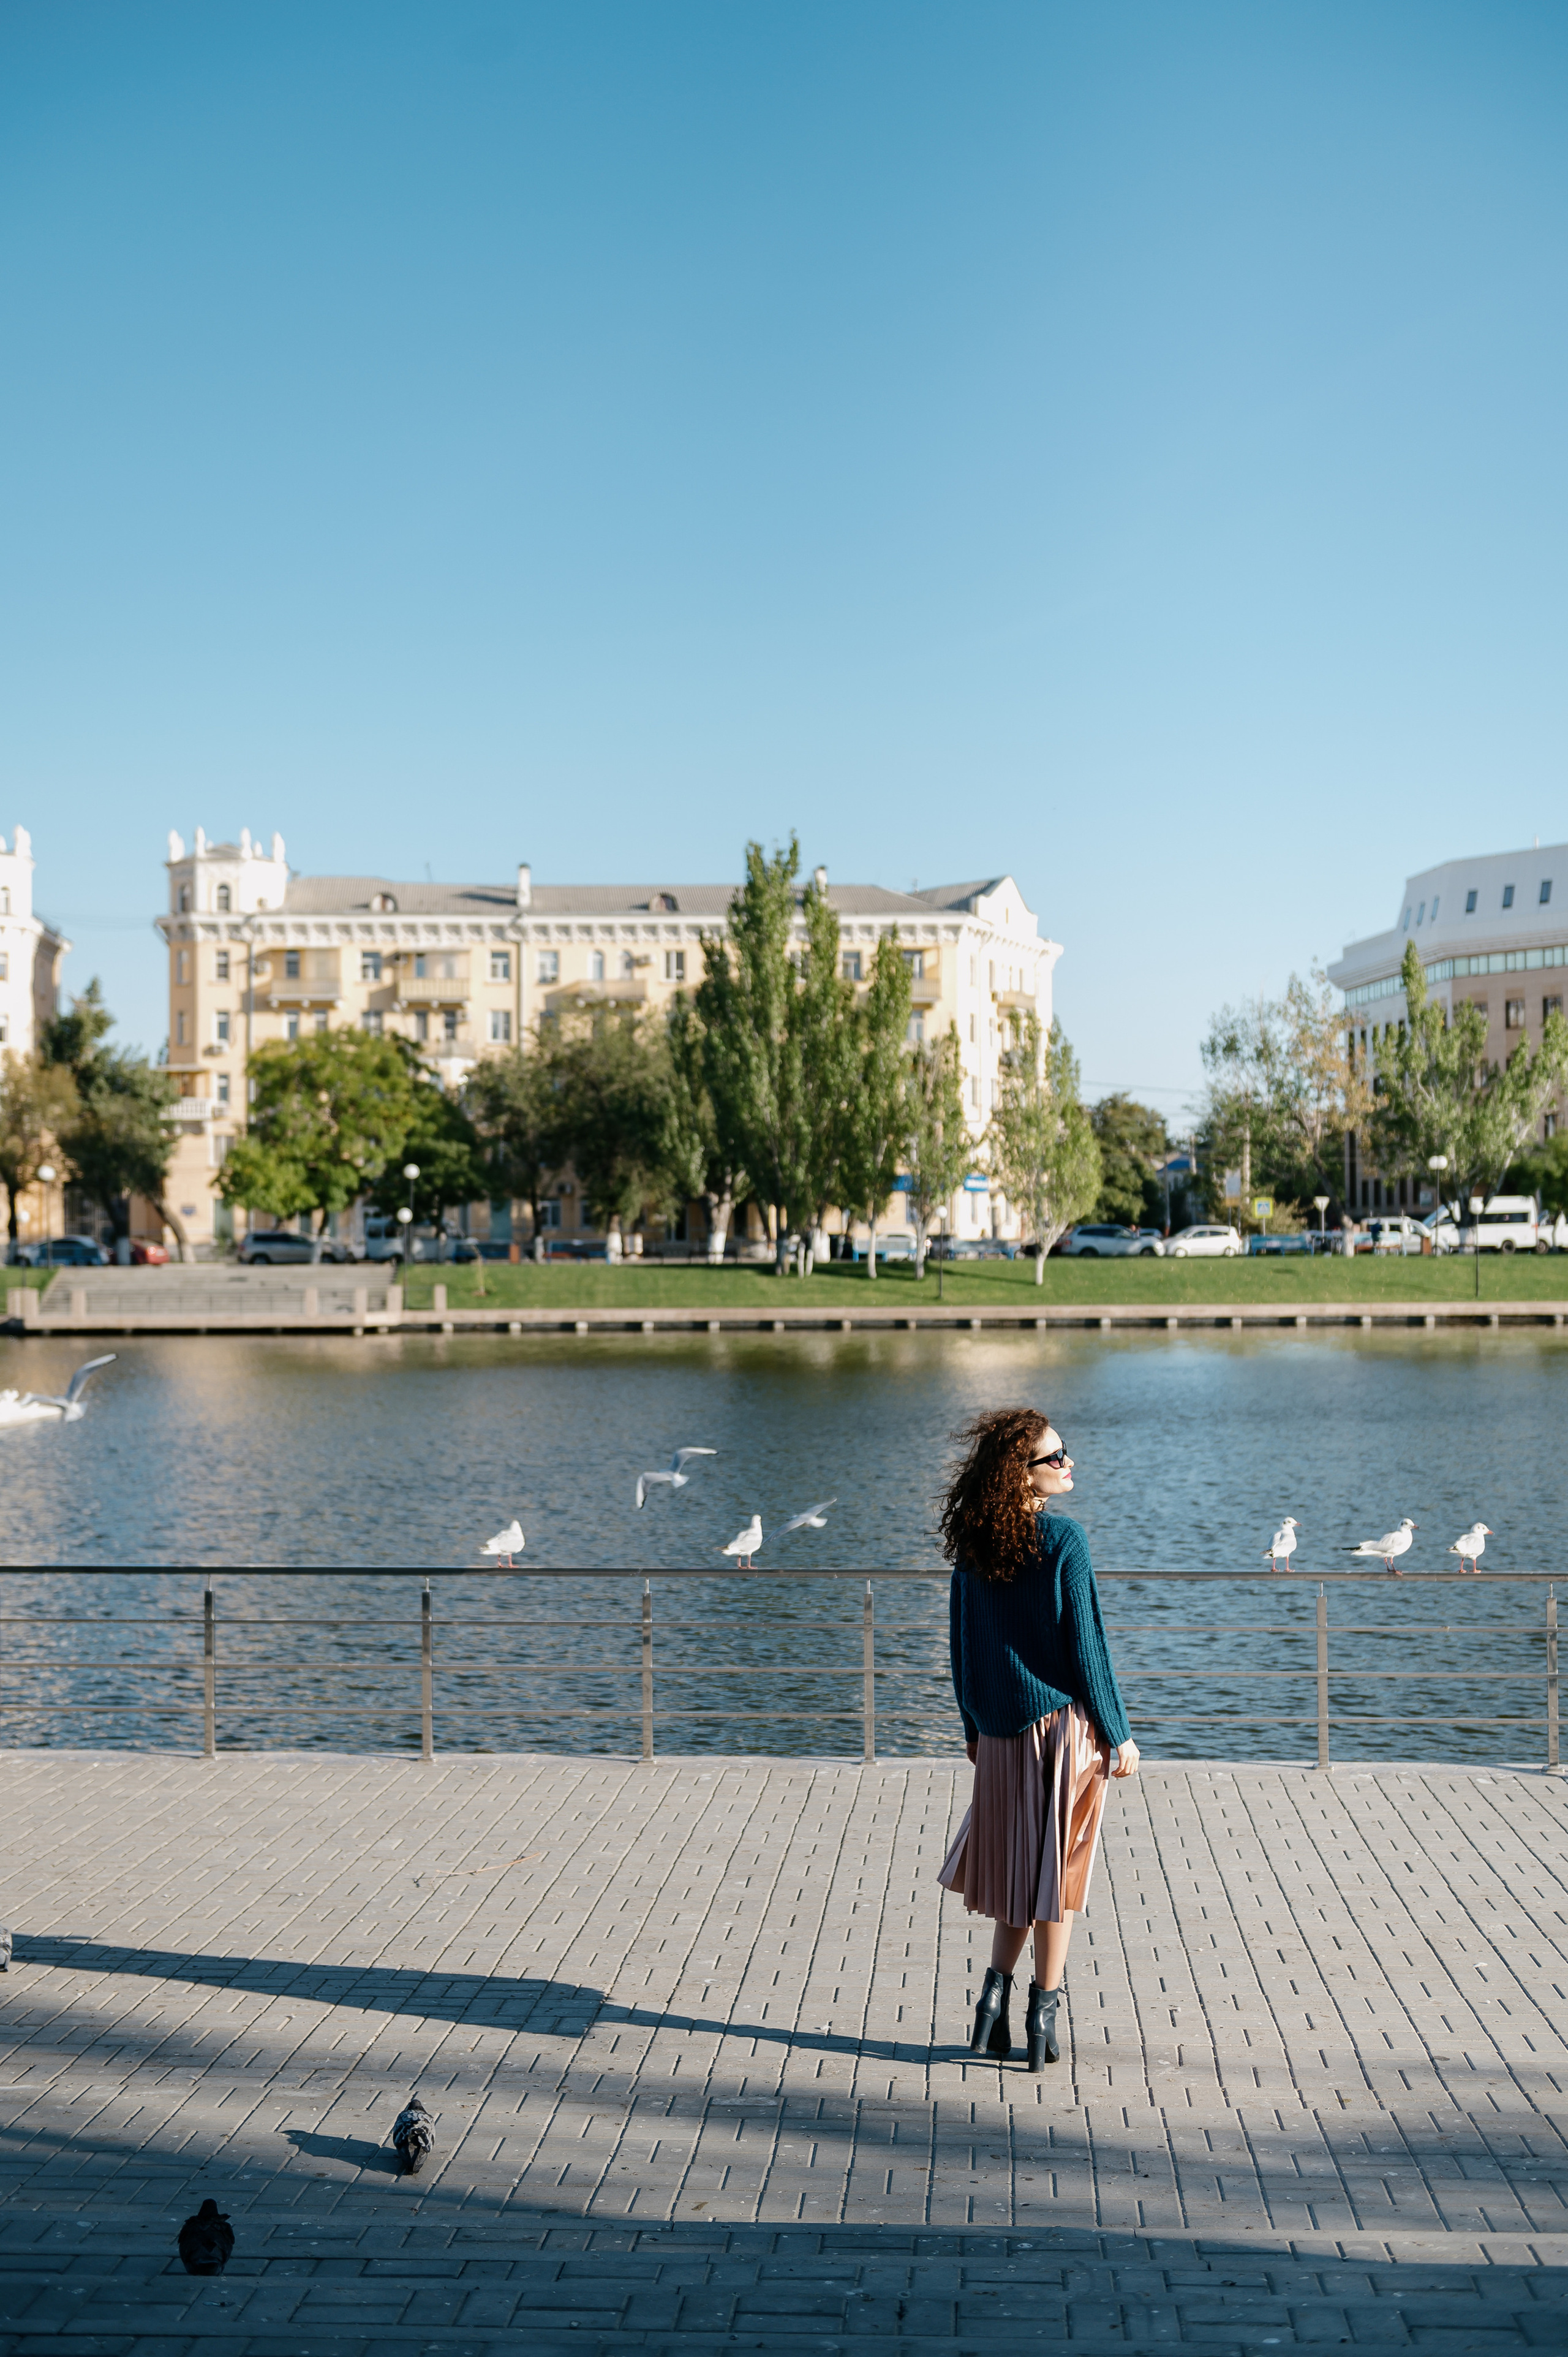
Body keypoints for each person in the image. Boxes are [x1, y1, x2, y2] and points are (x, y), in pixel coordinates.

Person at [937, 1407, 1139, 2071]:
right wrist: (1119, 1734)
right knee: (1057, 1879)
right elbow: (1088, 1648)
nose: (1067, 1463)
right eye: (1055, 1457)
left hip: (997, 1732)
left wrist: (973, 1729)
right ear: (1020, 1475)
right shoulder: (1063, 1541)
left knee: (1024, 1876)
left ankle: (989, 2009)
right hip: (1060, 1731)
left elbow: (962, 1648)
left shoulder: (974, 1542)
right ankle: (1040, 2014)